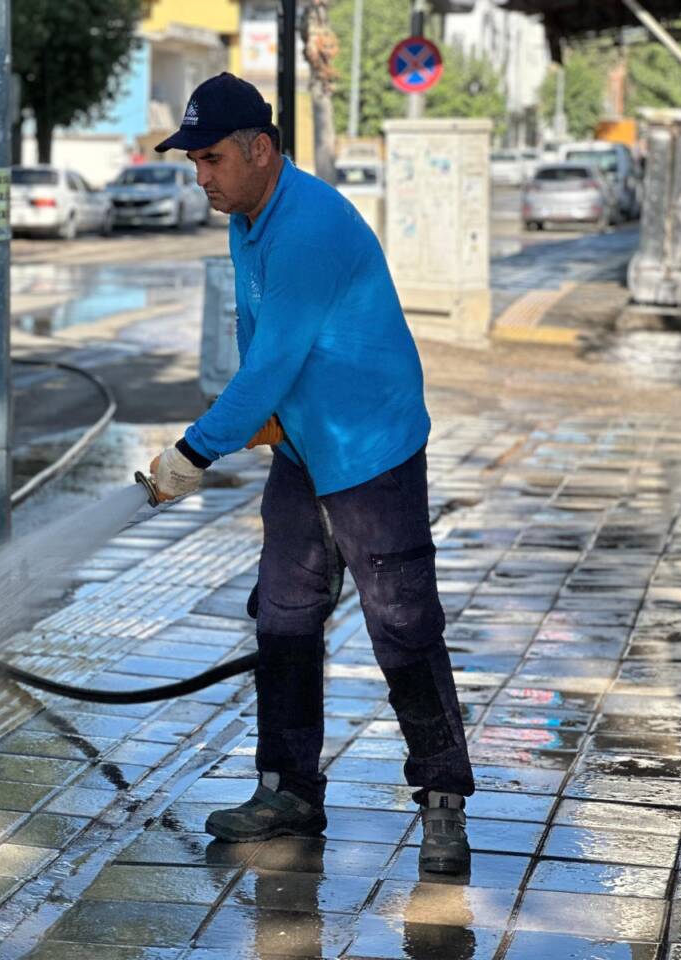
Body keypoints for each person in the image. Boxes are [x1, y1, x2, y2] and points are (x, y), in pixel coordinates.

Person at [146, 73, 474, 876]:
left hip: (370, 451)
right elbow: (264, 348)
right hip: (303, 449)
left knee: (401, 624)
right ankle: (288, 790)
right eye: (194, 161)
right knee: (284, 619)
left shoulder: (308, 229)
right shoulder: (248, 220)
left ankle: (442, 802)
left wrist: (193, 452)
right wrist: (266, 426)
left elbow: (267, 365)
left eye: (212, 158)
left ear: (262, 149)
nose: (202, 177)